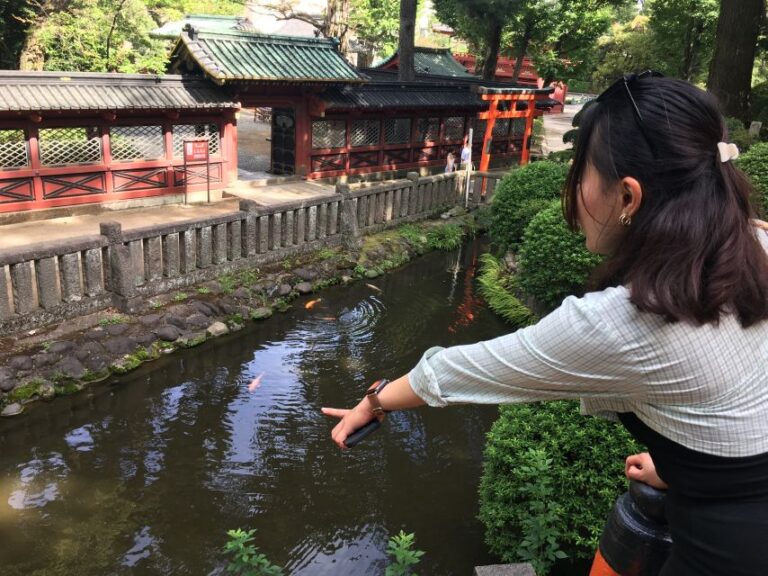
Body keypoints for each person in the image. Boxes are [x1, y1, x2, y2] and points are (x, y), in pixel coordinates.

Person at [322, 73, 768, 576]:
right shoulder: (754, 243)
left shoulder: (623, 323)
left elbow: (462, 370)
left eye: (581, 173)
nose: (573, 189)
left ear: (628, 197)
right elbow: (739, 384)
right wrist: (683, 464)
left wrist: (374, 400)